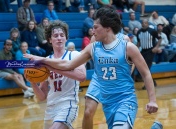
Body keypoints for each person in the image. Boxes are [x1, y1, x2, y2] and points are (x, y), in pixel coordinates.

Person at [24, 6, 158, 129]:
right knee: (88, 112)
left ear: (107, 28)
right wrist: (42, 60)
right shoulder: (93, 47)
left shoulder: (127, 46)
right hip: (108, 102)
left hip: (125, 100)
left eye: (95, 27)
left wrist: (152, 100)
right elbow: (68, 65)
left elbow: (146, 73)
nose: (92, 31)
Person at [26, 20, 86, 129]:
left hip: (68, 105)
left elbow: (81, 76)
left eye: (62, 35)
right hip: (50, 107)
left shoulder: (75, 55)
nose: (59, 38)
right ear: (50, 39)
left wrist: (50, 66)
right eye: (55, 35)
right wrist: (32, 82)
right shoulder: (46, 61)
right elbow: (42, 96)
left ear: (66, 38)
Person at [137, 19, 162, 89]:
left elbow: (160, 39)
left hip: (150, 51)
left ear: (147, 24)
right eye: (142, 23)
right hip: (143, 51)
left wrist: (156, 47)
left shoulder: (152, 31)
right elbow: (139, 43)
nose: (144, 24)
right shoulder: (139, 32)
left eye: (145, 23)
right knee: (143, 68)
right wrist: (135, 49)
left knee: (146, 68)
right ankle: (153, 82)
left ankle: (147, 84)